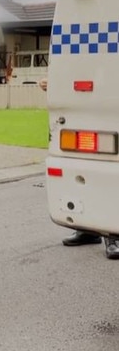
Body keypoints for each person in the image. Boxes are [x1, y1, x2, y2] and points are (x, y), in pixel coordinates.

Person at [38, 78, 119, 258]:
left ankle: (112, 236)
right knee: (81, 168)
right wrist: (55, 83)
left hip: (107, 111)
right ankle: (88, 230)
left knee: (105, 169)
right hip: (83, 112)